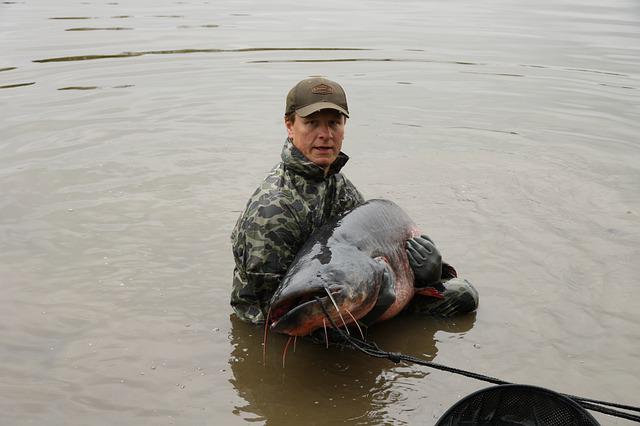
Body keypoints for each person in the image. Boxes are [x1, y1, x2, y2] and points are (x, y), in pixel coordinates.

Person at [230, 77, 478, 325]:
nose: (325, 135)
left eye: (334, 123)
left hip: (344, 298)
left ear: (344, 126)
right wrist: (372, 311)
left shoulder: (338, 185)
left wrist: (429, 274)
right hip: (292, 321)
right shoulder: (273, 209)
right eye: (312, 123)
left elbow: (362, 255)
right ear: (289, 125)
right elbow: (270, 317)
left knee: (463, 295)